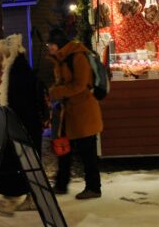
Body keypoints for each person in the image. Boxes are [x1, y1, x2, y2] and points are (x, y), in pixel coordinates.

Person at [0, 34, 47, 214]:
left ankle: (12, 199)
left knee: (17, 160)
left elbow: (21, 100)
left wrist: (11, 121)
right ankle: (28, 197)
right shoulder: (16, 67)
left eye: (3, 54)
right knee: (24, 161)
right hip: (23, 123)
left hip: (23, 124)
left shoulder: (17, 70)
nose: (0, 58)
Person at [47, 28, 102, 199]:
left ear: (60, 45)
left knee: (88, 153)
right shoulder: (61, 59)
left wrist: (56, 92)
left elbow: (80, 85)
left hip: (84, 111)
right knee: (64, 149)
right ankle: (61, 184)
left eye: (51, 45)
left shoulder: (77, 57)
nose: (49, 48)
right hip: (68, 112)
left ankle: (93, 188)